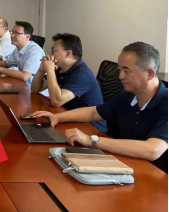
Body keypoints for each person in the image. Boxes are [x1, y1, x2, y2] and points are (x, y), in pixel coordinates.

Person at [34, 42, 168, 172]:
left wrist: (91, 140)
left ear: (150, 74)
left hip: (154, 175)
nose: (120, 76)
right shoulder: (128, 95)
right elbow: (94, 112)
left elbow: (153, 150)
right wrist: (57, 117)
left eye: (126, 71)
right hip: (125, 163)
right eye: (119, 70)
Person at [31, 33, 107, 132]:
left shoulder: (82, 74)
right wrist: (41, 70)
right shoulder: (61, 69)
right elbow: (35, 89)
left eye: (53, 50)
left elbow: (57, 101)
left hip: (91, 127)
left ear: (68, 53)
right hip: (68, 118)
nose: (49, 54)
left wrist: (50, 70)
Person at [0, 21, 45, 87]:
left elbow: (25, 76)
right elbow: (7, 63)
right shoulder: (18, 48)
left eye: (17, 33)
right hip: (23, 86)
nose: (12, 35)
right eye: (12, 32)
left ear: (27, 36)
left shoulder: (35, 51)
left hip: (35, 90)